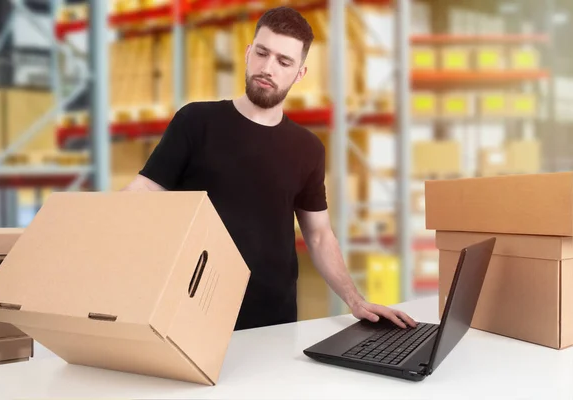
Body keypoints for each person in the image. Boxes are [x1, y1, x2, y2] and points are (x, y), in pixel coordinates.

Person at [123, 6, 417, 331]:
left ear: (300, 73)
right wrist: (92, 228)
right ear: (248, 53)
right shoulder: (195, 121)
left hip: (274, 320)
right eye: (262, 53)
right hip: (193, 312)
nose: (267, 68)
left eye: (283, 61)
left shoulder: (308, 149)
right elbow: (146, 189)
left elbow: (318, 234)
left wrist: (355, 299)